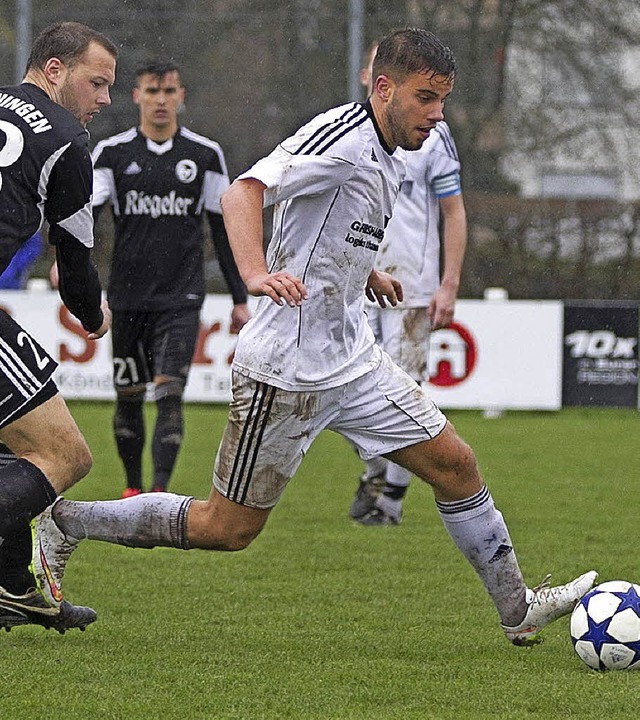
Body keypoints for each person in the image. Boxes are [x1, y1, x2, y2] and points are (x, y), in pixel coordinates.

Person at [31, 28, 596, 646]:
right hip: (286, 371)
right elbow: (245, 191)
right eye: (426, 98)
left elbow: (330, 229)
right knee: (228, 528)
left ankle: (517, 610)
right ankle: (67, 521)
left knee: (456, 464)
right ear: (384, 89)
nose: (437, 116)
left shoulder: (390, 151)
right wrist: (251, 274)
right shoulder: (342, 138)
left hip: (353, 359)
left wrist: (364, 272)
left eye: (443, 101)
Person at [0, 21, 116, 633]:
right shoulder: (68, 141)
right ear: (53, 71)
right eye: (96, 84)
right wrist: (94, 315)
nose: (103, 101)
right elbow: (75, 264)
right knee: (63, 455)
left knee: (11, 446)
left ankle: (14, 586)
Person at [91, 60, 249, 498]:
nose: (160, 100)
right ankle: (131, 488)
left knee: (169, 391)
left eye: (168, 91)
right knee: (129, 395)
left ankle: (158, 492)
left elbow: (222, 227)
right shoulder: (111, 153)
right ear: (136, 96)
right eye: (151, 91)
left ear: (181, 97)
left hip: (182, 295)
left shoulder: (205, 155)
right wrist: (72, 265)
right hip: (126, 297)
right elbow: (85, 216)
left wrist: (240, 297)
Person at [348, 42, 467, 526]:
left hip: (412, 287)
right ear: (372, 79)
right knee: (355, 388)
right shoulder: (345, 136)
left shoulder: (433, 137)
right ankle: (375, 473)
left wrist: (449, 283)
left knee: (406, 390)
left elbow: (453, 209)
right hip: (355, 285)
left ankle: (390, 497)